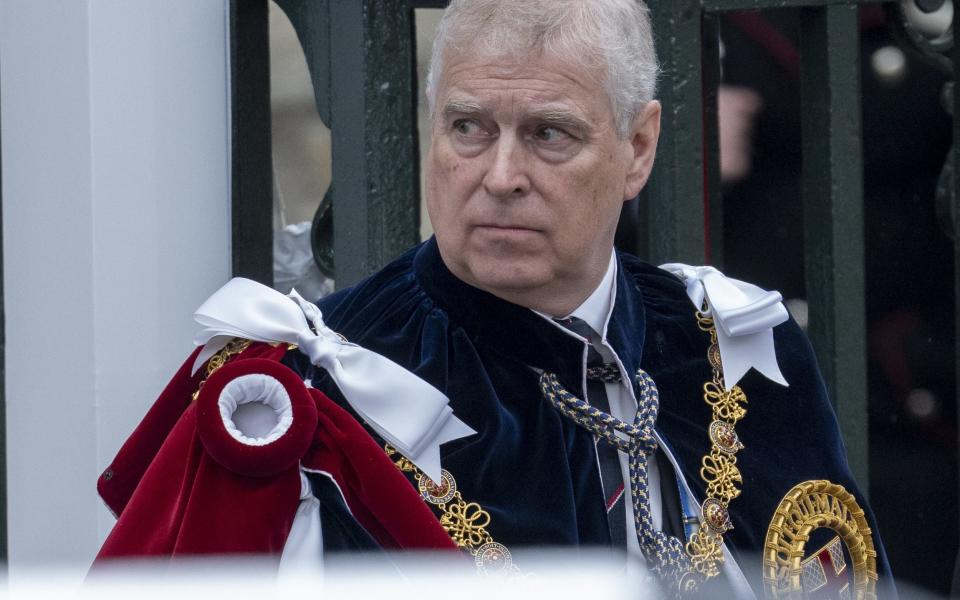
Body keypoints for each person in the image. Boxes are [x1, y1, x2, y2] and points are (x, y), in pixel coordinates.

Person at [95, 1, 893, 597]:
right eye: (469, 128)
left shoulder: (736, 342)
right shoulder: (308, 397)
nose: (501, 176)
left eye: (550, 134)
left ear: (638, 148)